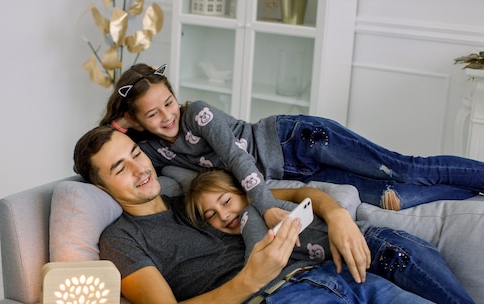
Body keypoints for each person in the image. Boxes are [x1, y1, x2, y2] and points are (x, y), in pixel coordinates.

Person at [73, 125, 484, 304]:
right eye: (119, 169)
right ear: (101, 187)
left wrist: (338, 215)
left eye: (135, 155)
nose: (140, 170)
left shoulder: (196, 199)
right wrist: (252, 276)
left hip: (331, 275)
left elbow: (298, 195)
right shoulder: (121, 240)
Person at [99, 63, 484, 228]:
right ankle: (473, 192)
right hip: (294, 172)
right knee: (389, 196)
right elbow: (165, 181)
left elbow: (236, 157)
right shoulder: (152, 152)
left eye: (168, 103)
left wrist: (264, 207)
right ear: (135, 121)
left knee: (403, 168)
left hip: (297, 141)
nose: (166, 116)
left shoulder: (197, 113)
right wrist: (118, 126)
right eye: (152, 115)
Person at [184, 167, 484, 304]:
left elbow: (304, 193)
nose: (224, 215)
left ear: (243, 191)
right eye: (211, 215)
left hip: (381, 248)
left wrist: (338, 216)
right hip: (359, 274)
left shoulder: (256, 205)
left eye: (225, 202)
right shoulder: (249, 234)